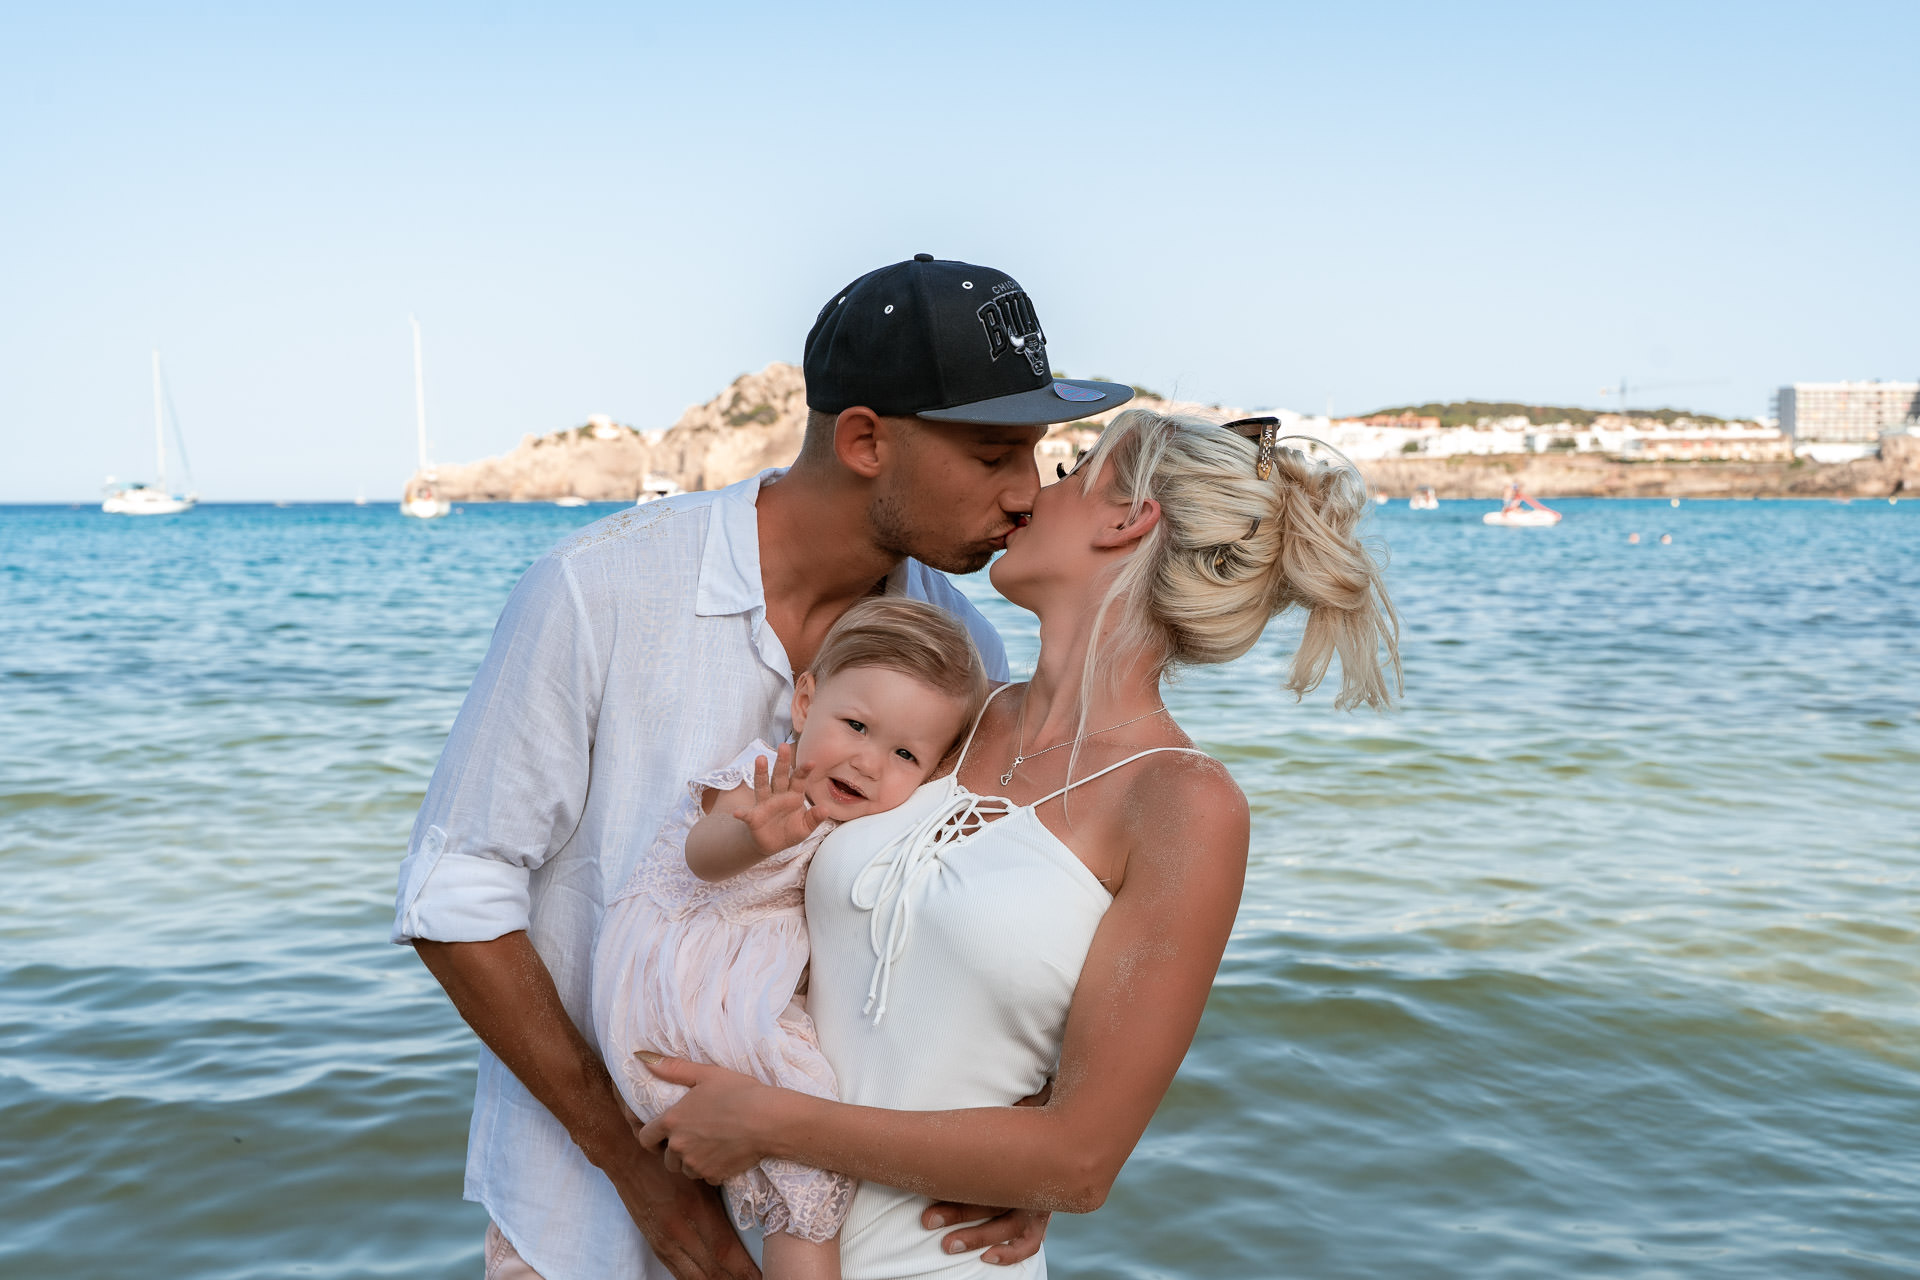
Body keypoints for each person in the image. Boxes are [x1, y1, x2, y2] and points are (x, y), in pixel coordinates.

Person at [390, 253, 1133, 1280]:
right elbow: (456, 895)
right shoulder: (594, 591)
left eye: (1039, 454)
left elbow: (958, 917)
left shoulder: (964, 653)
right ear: (867, 438)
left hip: (859, 1227)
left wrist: (1020, 1133)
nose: (1025, 494)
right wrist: (647, 1186)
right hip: (587, 1223)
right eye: (996, 452)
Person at [635, 410, 1401, 1277]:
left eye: (1073, 471)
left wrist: (769, 1122)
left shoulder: (1182, 802)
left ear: (1127, 518)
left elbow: (1077, 1162)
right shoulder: (944, 720)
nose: (1036, 490)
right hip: (754, 1239)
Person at [590, 599, 989, 1280]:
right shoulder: (763, 782)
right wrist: (748, 837)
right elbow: (700, 856)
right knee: (810, 1170)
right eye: (856, 726)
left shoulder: (863, 825)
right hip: (676, 999)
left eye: (904, 754)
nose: (868, 762)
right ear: (805, 701)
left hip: (699, 1017)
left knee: (787, 1173)